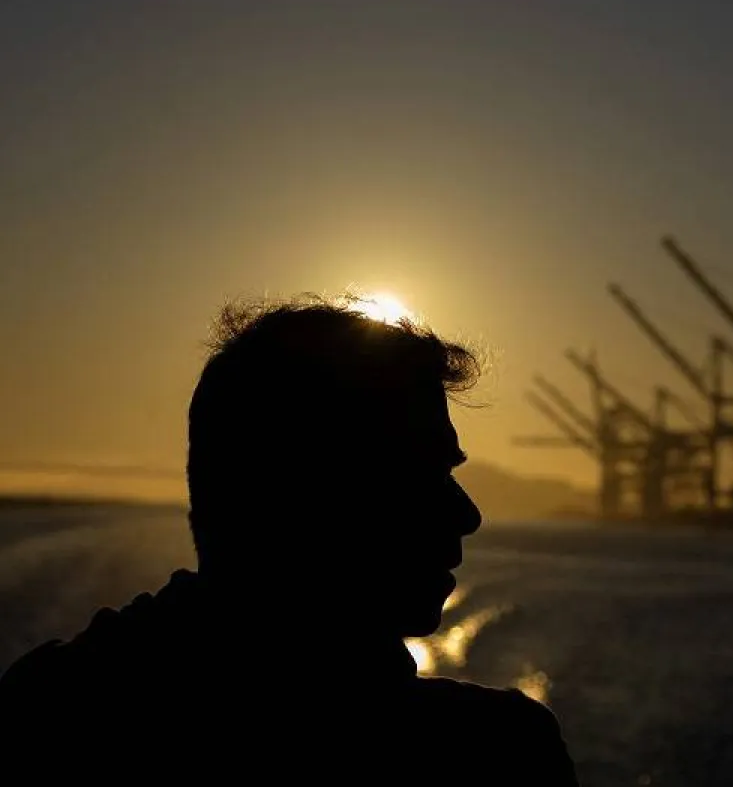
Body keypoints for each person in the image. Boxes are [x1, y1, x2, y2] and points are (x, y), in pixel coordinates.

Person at [0, 295, 578, 780]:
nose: (467, 514)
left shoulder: (45, 711)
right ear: (303, 491)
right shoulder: (491, 758)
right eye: (420, 475)